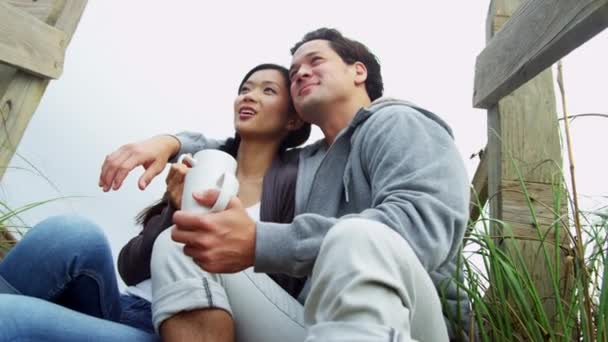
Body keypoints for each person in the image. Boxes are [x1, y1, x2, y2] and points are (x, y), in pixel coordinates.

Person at [100, 28, 472, 341]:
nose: (300, 74)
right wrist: (170, 142)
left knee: (358, 237)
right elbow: (245, 144)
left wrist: (260, 243)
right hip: (313, 323)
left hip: (411, 322)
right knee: (185, 246)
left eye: (315, 61)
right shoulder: (310, 161)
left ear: (358, 72)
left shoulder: (397, 122)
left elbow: (422, 230)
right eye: (293, 72)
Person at [0, 63, 310, 341]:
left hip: (179, 325)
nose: (249, 96)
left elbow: (282, 286)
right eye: (245, 89)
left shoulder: (300, 183)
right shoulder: (199, 169)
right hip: (124, 305)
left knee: (10, 316)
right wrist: (173, 210)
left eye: (267, 91)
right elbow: (131, 269)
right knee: (70, 232)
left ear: (293, 120)